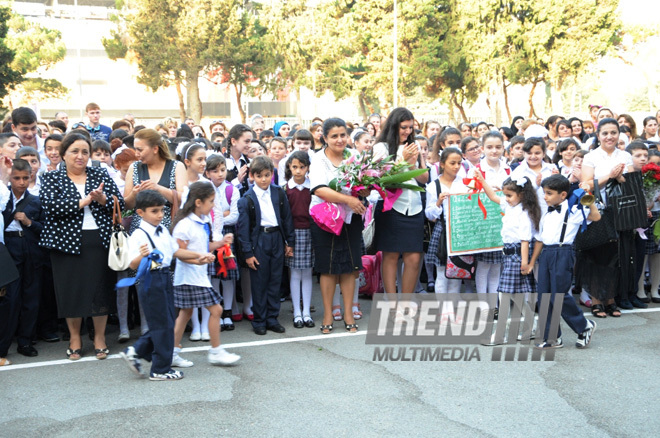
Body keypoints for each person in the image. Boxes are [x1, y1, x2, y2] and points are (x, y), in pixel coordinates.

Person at [119, 190, 225, 380]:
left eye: (161, 210)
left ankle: (135, 351)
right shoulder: (139, 234)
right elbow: (132, 265)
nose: (160, 215)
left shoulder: (162, 231)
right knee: (163, 325)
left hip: (164, 277)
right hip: (151, 279)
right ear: (140, 213)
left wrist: (199, 256)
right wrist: (141, 255)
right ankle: (160, 369)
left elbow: (176, 252)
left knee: (166, 322)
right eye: (154, 211)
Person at [39, 132, 124, 361]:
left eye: (85, 152)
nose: (80, 156)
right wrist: (83, 201)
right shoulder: (51, 178)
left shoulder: (100, 173)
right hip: (64, 243)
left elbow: (120, 203)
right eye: (75, 151)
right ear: (63, 154)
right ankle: (74, 337)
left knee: (99, 290)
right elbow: (49, 207)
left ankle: (99, 337)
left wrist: (102, 199)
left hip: (98, 240)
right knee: (71, 291)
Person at [171, 182, 241, 367]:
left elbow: (204, 247)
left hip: (196, 275)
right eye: (211, 201)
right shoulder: (184, 225)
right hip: (189, 277)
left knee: (185, 314)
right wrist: (199, 259)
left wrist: (220, 243)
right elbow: (179, 253)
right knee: (216, 310)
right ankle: (216, 351)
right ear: (198, 202)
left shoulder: (203, 221)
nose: (213, 205)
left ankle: (173, 352)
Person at [308, 118, 365, 334]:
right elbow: (319, 189)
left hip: (351, 217)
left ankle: (348, 313)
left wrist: (364, 191)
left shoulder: (355, 157)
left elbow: (362, 185)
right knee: (328, 268)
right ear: (324, 138)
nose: (340, 140)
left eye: (343, 135)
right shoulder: (317, 159)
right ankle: (328, 314)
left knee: (351, 267)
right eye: (334, 136)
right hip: (325, 219)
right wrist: (348, 199)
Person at [530, 174, 599, 349]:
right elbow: (540, 239)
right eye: (544, 192)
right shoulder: (547, 213)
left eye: (549, 193)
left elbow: (596, 217)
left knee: (558, 295)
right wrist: (532, 262)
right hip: (546, 254)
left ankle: (584, 326)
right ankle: (552, 337)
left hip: (563, 252)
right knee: (544, 295)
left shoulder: (573, 210)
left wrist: (588, 198)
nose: (545, 196)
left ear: (562, 195)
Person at [579, 118, 635, 317]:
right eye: (605, 133)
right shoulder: (591, 157)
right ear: (598, 135)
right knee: (597, 255)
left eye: (613, 132)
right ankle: (596, 300)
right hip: (598, 211)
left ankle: (610, 299)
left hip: (621, 211)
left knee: (615, 256)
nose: (609, 137)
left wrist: (620, 177)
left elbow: (632, 184)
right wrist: (610, 176)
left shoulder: (626, 155)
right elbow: (586, 184)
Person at [372, 108, 428, 298]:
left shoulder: (414, 146)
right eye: (403, 127)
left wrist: (413, 164)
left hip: (414, 208)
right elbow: (381, 180)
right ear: (394, 126)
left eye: (410, 128)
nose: (407, 131)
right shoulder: (381, 148)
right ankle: (392, 302)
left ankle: (406, 302)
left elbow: (424, 178)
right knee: (391, 256)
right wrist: (402, 160)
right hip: (391, 207)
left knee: (413, 258)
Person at [236, 156, 295, 335]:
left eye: (267, 175)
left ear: (272, 175)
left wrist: (289, 242)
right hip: (259, 239)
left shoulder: (278, 192)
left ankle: (272, 318)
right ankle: (259, 320)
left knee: (275, 279)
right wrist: (248, 253)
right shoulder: (247, 199)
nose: (264, 179)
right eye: (259, 176)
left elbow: (286, 218)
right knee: (260, 281)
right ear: (252, 176)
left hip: (276, 237)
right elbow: (243, 230)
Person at [0, 159, 45, 359]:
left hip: (30, 248)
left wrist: (29, 222)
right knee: (10, 297)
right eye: (16, 178)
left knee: (31, 295)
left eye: (25, 178)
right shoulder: (3, 198)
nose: (21, 182)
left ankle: (26, 341)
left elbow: (45, 229)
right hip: (9, 247)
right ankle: (5, 343)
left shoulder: (35, 201)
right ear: (9, 177)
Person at [475, 172, 541, 299]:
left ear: (521, 195)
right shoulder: (510, 206)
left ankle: (512, 315)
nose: (506, 198)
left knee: (508, 291)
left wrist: (524, 263)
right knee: (513, 290)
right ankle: (520, 315)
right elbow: (493, 196)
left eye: (509, 195)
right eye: (505, 195)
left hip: (517, 255)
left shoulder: (524, 213)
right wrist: (482, 181)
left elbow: (525, 241)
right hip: (508, 253)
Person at [469, 132, 511, 295]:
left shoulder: (508, 169)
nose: (494, 151)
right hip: (483, 224)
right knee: (483, 265)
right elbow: (468, 196)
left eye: (498, 147)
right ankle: (482, 302)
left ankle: (494, 302)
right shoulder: (476, 170)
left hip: (502, 223)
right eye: (490, 147)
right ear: (482, 149)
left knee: (497, 266)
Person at [205, 154, 242, 329]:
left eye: (222, 170)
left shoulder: (232, 189)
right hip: (210, 235)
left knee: (227, 275)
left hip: (227, 234)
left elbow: (235, 216)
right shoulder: (204, 190)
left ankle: (227, 312)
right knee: (214, 275)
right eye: (215, 171)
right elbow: (205, 216)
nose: (220, 174)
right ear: (207, 173)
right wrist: (219, 217)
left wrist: (218, 218)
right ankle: (216, 312)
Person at [124, 129, 186, 231]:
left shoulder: (176, 166)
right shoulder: (134, 167)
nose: (136, 154)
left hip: (168, 230)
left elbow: (184, 198)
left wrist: (158, 188)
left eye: (140, 150)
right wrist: (134, 194)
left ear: (155, 149)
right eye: (135, 149)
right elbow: (126, 205)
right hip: (140, 231)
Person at [425, 148, 469, 294]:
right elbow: (430, 216)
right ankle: (443, 311)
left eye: (459, 163)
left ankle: (452, 309)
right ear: (442, 164)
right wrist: (438, 202)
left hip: (461, 230)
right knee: (442, 273)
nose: (456, 166)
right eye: (452, 163)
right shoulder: (433, 186)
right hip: (442, 231)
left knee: (457, 272)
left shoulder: (465, 184)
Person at [283, 151, 315, 329]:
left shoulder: (313, 187)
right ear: (289, 167)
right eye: (294, 167)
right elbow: (285, 217)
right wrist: (288, 240)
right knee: (295, 273)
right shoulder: (285, 189)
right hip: (293, 234)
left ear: (307, 168)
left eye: (302, 167)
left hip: (309, 231)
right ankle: (297, 312)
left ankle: (307, 313)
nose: (298, 171)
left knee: (307, 272)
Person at [225, 124, 252, 195]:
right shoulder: (221, 161)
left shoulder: (250, 161)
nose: (250, 145)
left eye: (250, 142)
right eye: (246, 141)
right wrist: (238, 181)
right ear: (233, 141)